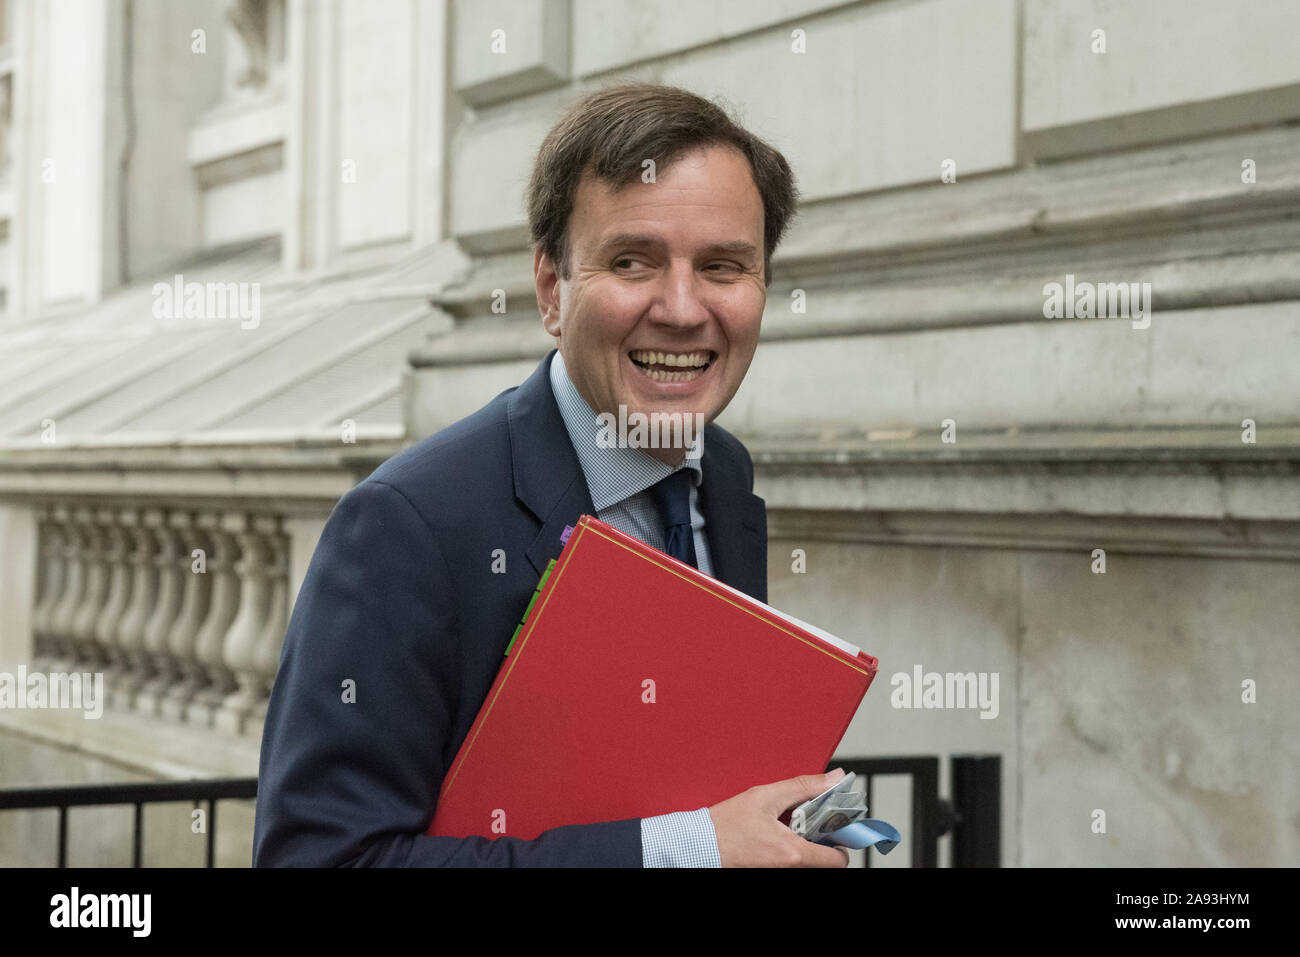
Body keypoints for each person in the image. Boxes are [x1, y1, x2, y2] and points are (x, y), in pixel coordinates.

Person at [253, 82, 849, 867]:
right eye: (632, 261)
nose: (681, 306)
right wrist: (687, 850)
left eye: (723, 266)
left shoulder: (724, 479)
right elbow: (320, 860)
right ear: (551, 290)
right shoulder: (406, 525)